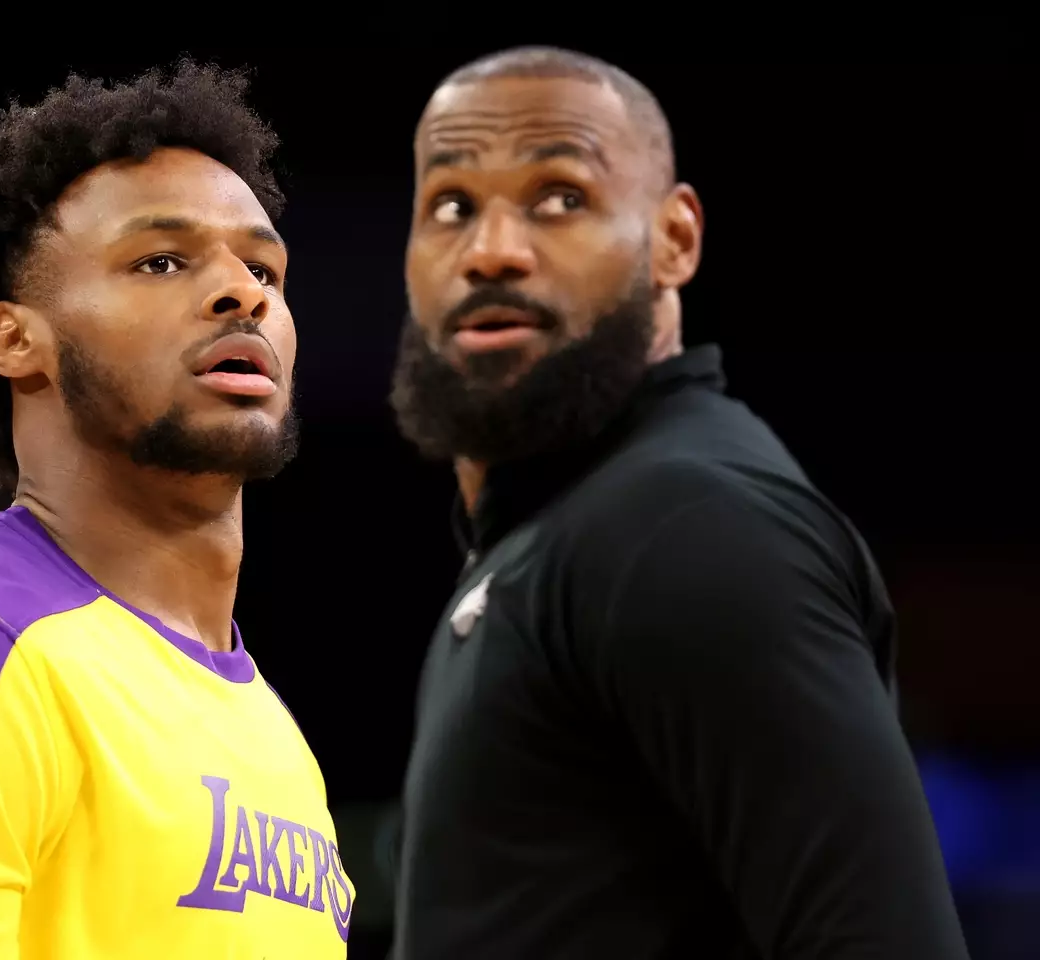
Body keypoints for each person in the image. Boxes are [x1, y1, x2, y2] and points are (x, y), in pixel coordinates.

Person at [388, 46, 968, 959]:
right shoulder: (563, 526)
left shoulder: (686, 522)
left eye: (559, 198)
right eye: (451, 205)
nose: (491, 249)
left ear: (676, 239)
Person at [0, 61, 355, 959]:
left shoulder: (269, 725)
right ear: (16, 340)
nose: (247, 293)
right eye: (161, 260)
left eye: (265, 266)